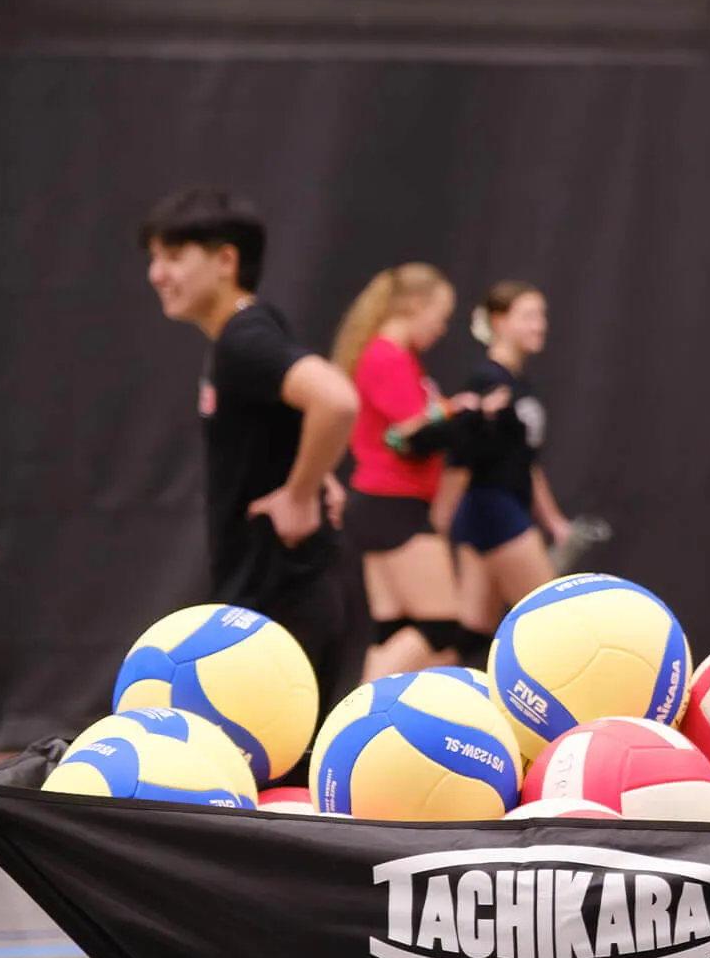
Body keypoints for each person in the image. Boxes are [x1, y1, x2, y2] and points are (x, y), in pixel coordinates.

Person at [140, 187, 359, 709]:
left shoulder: (244, 339)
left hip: (281, 602)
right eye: (153, 259)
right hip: (280, 597)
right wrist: (313, 470)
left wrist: (301, 494)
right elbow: (300, 413)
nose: (156, 274)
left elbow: (336, 399)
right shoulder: (253, 327)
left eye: (173, 256)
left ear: (225, 260)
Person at [331, 264, 473, 680]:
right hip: (393, 504)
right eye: (439, 316)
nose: (441, 329)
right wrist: (458, 416)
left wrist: (449, 412)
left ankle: (375, 728)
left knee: (394, 630)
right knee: (439, 626)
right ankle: (360, 716)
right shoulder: (387, 356)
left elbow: (410, 427)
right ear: (415, 306)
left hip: (386, 503)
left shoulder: (393, 356)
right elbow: (408, 434)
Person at [446, 281, 573, 665]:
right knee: (551, 620)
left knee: (472, 632)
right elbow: (461, 458)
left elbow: (525, 462)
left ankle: (437, 707)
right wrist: (441, 517)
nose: (540, 325)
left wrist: (553, 520)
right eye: (530, 316)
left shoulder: (518, 384)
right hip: (492, 510)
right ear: (499, 321)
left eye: (543, 316)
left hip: (501, 508)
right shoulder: (486, 380)